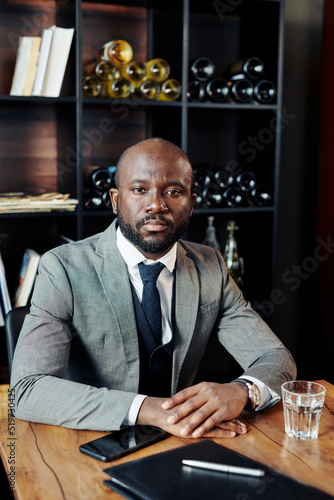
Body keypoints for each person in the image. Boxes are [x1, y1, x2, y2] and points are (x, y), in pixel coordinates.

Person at [11, 137, 296, 439]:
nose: (156, 205)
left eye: (173, 191)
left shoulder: (209, 264)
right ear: (115, 200)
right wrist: (154, 411)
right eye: (139, 189)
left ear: (191, 202)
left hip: (184, 439)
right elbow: (27, 390)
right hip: (91, 441)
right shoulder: (64, 268)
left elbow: (277, 358)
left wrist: (243, 391)